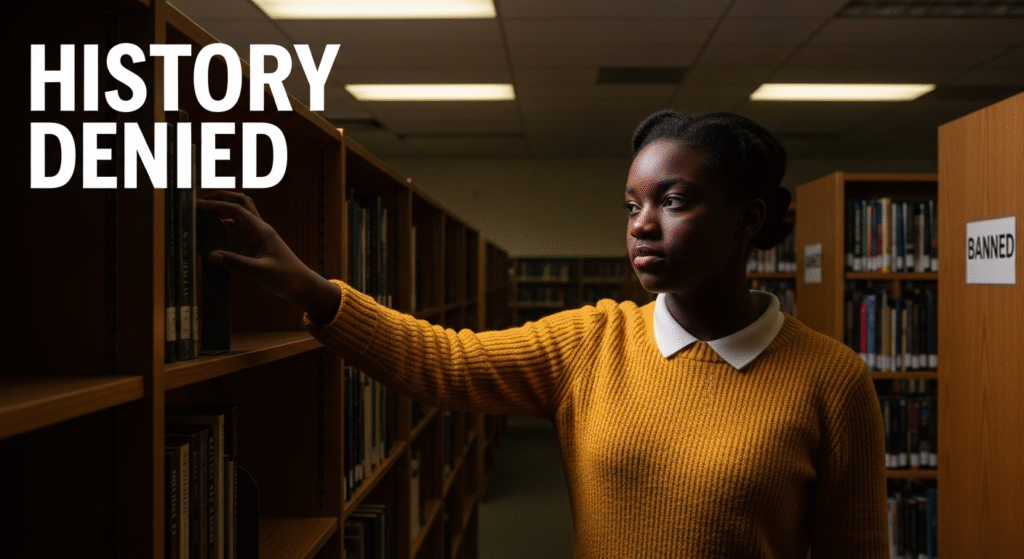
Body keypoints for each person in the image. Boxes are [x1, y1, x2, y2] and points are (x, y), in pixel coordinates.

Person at [197, 110, 888, 558]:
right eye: (631, 206)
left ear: (747, 219)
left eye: (673, 201)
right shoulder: (593, 343)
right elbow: (443, 361)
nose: (642, 225)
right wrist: (311, 290)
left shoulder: (831, 378)